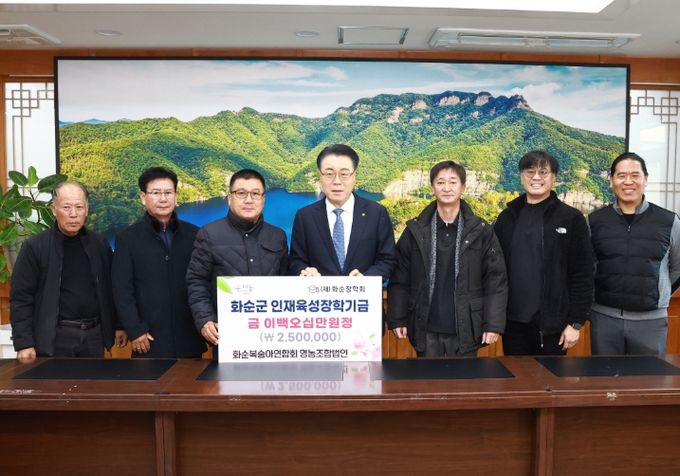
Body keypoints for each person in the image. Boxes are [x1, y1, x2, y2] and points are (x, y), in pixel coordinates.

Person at [387, 160, 507, 357]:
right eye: (440, 182)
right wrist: (398, 318)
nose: (447, 188)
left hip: (466, 327)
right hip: (425, 327)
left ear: (463, 188)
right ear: (432, 187)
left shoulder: (481, 230)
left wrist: (493, 324)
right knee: (425, 377)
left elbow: (496, 280)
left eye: (453, 182)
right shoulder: (415, 231)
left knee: (464, 378)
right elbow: (400, 278)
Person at [10, 181, 127, 361]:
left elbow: (112, 287)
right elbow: (21, 297)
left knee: (94, 380)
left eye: (79, 207)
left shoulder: (99, 244)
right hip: (56, 336)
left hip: (94, 334)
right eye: (66, 207)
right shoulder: (35, 247)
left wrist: (118, 325)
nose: (73, 214)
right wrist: (24, 342)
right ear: (54, 209)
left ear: (86, 209)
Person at [494, 150, 594, 355]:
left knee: (549, 376)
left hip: (552, 324)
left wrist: (575, 322)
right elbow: (493, 269)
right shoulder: (507, 217)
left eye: (543, 172)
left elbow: (583, 273)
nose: (536, 177)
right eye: (530, 172)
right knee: (514, 375)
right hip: (512, 323)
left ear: (554, 178)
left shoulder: (571, 218)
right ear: (521, 176)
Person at [589, 152, 680, 355]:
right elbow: (588, 267)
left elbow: (677, 268)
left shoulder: (669, 221)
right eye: (621, 175)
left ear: (645, 179)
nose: (628, 181)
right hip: (604, 319)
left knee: (648, 375)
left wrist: (660, 291)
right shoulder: (595, 221)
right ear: (611, 180)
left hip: (650, 322)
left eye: (635, 175)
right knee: (605, 373)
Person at [186, 168, 288, 348]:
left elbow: (286, 280)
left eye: (255, 193)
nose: (249, 200)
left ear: (263, 199)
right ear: (229, 197)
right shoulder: (209, 234)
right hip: (228, 335)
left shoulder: (277, 235)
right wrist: (205, 319)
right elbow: (196, 280)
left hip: (271, 333)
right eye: (241, 193)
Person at [112, 167, 205, 358]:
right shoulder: (127, 238)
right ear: (143, 197)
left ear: (176, 196)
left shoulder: (195, 234)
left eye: (168, 193)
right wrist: (135, 329)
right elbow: (122, 290)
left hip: (189, 336)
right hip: (148, 338)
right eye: (156, 193)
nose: (163, 199)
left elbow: (203, 282)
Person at [289, 143, 396, 279]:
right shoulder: (305, 216)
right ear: (320, 175)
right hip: (320, 292)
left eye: (344, 174)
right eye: (329, 174)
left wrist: (366, 278)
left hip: (361, 292)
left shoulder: (377, 213)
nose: (337, 181)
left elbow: (387, 260)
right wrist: (304, 271)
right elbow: (296, 260)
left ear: (354, 176)